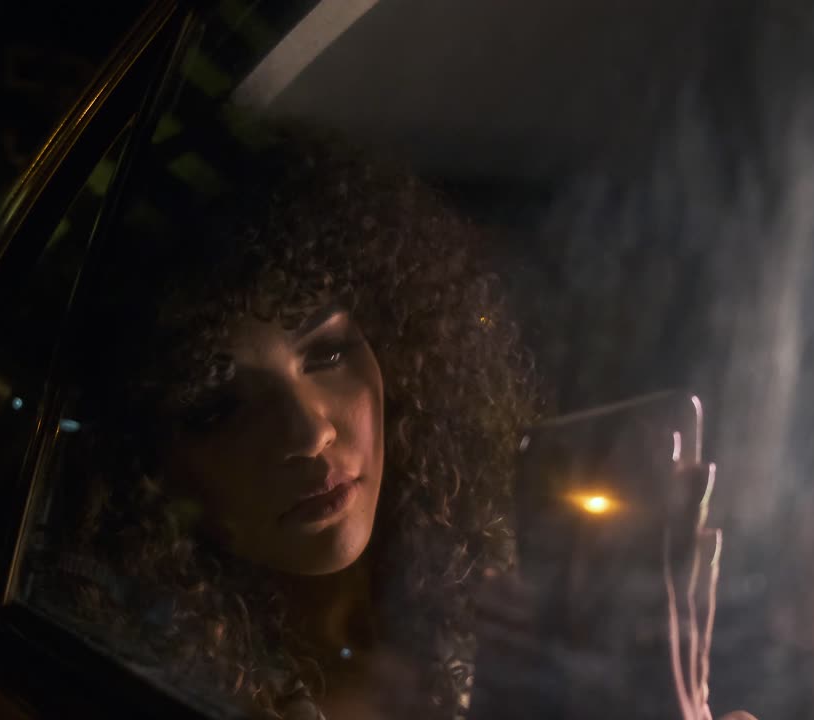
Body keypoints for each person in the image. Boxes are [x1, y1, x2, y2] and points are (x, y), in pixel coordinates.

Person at [47, 122, 751, 720]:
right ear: (143, 462)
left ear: (396, 353)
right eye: (217, 404)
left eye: (325, 352)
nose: (308, 432)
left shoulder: (501, 606)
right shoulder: (142, 684)